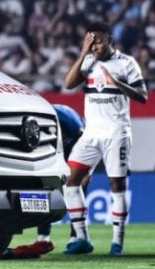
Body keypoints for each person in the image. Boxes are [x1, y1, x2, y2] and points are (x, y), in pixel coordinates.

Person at [62, 22, 148, 256]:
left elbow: (142, 96)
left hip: (116, 132)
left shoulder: (126, 63)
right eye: (90, 42)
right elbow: (68, 84)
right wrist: (83, 52)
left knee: (116, 186)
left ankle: (117, 243)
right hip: (91, 133)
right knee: (70, 181)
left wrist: (118, 84)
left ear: (110, 40)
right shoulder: (88, 61)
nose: (94, 46)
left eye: (98, 41)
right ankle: (82, 239)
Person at [4, 104, 87, 259]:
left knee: (77, 186)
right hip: (48, 144)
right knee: (44, 185)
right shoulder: (32, 125)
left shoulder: (73, 127)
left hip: (75, 142)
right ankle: (43, 237)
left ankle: (76, 236)